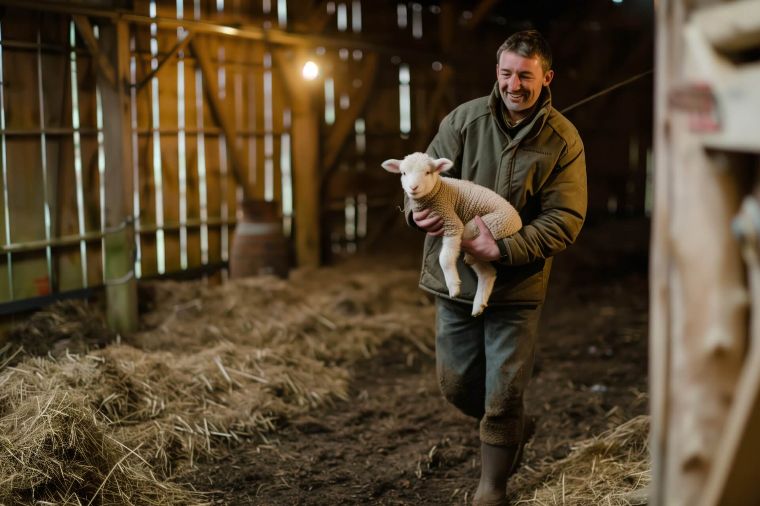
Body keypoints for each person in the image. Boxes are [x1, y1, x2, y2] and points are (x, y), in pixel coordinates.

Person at [406, 30, 587, 505]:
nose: (514, 85)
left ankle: (492, 486)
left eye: (525, 76)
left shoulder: (563, 140)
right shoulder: (464, 121)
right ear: (497, 73)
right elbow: (418, 173)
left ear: (546, 78)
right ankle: (515, 427)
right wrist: (415, 213)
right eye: (506, 73)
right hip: (455, 282)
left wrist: (504, 250)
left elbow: (565, 218)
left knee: (503, 391)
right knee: (458, 384)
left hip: (518, 284)